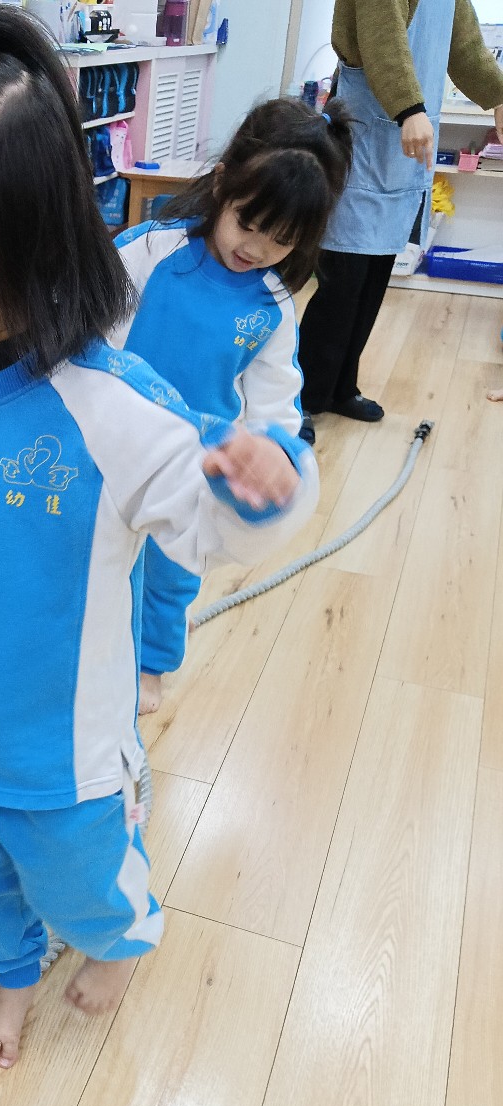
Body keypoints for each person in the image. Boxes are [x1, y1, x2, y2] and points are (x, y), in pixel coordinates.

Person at [0, 6, 319, 1068]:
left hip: (67, 755)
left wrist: (261, 488)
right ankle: (9, 975)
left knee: (85, 884)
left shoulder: (112, 406)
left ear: (31, 233)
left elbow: (204, 522)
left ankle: (123, 938)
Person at [112, 98, 352, 713]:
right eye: (248, 223)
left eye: (281, 240)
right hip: (115, 440)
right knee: (98, 548)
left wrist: (273, 452)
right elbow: (91, 334)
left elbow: (277, 401)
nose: (257, 248)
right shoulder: (152, 252)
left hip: (198, 459)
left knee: (172, 569)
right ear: (223, 184)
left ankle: (151, 661)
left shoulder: (272, 306)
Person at [298, 0, 503, 429]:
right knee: (342, 282)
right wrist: (409, 108)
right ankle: (302, 398)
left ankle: (341, 388)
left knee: (375, 275)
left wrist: (499, 95)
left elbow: (465, 45)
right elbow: (381, 38)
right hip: (367, 127)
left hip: (402, 141)